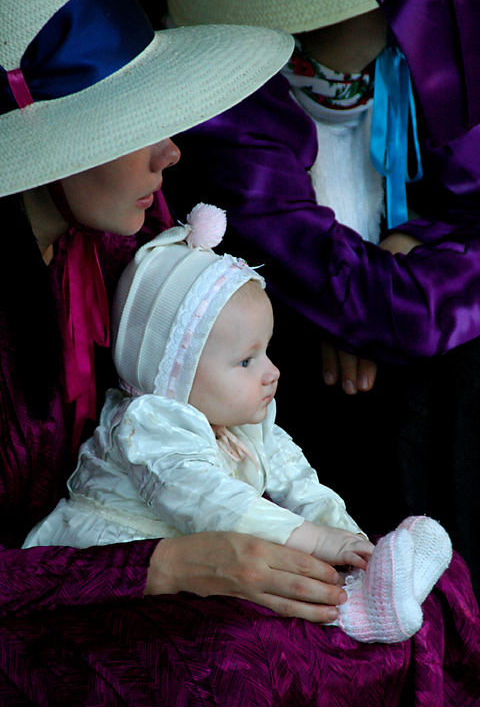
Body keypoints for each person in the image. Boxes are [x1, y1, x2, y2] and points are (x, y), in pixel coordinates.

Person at [1, 0, 479, 704]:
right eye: (132, 126)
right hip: (47, 602)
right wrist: (169, 564)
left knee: (432, 593)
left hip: (155, 528)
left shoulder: (119, 239)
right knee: (248, 658)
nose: (173, 150)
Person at [163, 0, 480, 596]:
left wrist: (412, 245)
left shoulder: (437, 49)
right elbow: (383, 308)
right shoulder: (228, 105)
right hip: (286, 393)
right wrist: (355, 309)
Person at [24, 204, 454, 645]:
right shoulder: (148, 423)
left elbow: (296, 478)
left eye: (267, 351)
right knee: (253, 622)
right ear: (176, 372)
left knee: (301, 565)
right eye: (246, 360)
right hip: (125, 564)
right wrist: (316, 541)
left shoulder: (239, 415)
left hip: (213, 552)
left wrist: (350, 542)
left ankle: (377, 583)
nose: (272, 371)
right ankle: (355, 611)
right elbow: (213, 502)